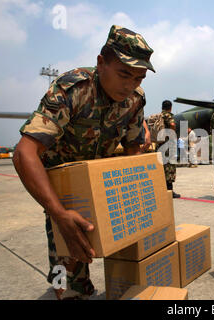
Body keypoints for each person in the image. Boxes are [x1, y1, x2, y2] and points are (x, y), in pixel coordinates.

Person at [12, 25, 155, 300]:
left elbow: (134, 149)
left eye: (139, 77)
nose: (130, 85)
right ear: (101, 64)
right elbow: (24, 153)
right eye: (124, 74)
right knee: (64, 263)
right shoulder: (73, 89)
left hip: (101, 182)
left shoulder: (136, 99)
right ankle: (62, 286)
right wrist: (58, 213)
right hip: (61, 187)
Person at [156, 100, 181, 198]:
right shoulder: (168, 115)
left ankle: (162, 189)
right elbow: (172, 125)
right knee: (170, 167)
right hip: (168, 145)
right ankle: (169, 191)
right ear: (170, 107)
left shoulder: (159, 116)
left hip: (160, 144)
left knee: (162, 167)